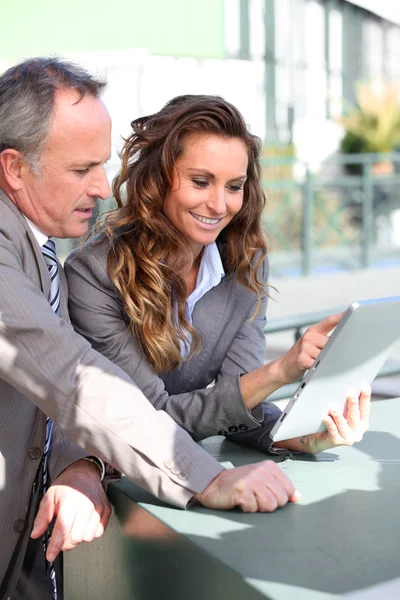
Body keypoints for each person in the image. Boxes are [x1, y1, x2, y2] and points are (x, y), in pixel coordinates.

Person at [0, 59, 300, 600]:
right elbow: (70, 375)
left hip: (34, 533)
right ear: (15, 169)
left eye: (233, 185)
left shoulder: (34, 247)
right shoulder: (84, 269)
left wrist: (83, 462)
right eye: (81, 168)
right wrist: (206, 477)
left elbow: (46, 400)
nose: (100, 185)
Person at [65, 94, 370, 461]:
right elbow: (152, 417)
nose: (220, 205)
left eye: (234, 186)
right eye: (200, 181)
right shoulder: (94, 273)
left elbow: (237, 398)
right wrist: (281, 370)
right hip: (103, 472)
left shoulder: (245, 263)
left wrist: (302, 437)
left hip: (188, 470)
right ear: (157, 179)